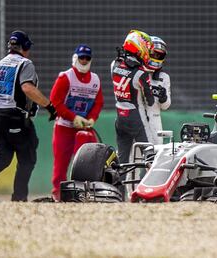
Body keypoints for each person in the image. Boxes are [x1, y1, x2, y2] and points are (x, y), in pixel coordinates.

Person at [0, 30, 57, 202]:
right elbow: (27, 88)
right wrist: (49, 106)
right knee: (27, 156)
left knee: (3, 156)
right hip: (15, 118)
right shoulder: (25, 64)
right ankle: (19, 199)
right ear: (25, 46)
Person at [50, 44, 103, 201]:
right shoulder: (65, 77)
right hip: (64, 128)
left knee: (89, 160)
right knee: (61, 162)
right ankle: (58, 193)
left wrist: (92, 118)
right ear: (76, 58)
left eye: (87, 58)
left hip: (84, 128)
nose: (84, 60)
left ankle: (88, 191)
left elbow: (98, 103)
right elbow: (55, 102)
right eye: (82, 57)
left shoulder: (95, 79)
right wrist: (73, 118)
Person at [111, 30, 155, 164]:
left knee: (123, 160)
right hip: (136, 118)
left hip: (119, 118)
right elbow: (151, 101)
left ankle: (119, 185)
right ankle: (152, 184)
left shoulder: (114, 64)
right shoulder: (141, 73)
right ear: (139, 47)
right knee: (150, 155)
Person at [145, 36, 171, 144]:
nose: (156, 57)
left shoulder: (164, 77)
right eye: (154, 53)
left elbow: (166, 106)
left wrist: (163, 98)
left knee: (155, 155)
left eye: (159, 55)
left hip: (155, 121)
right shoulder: (137, 73)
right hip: (137, 120)